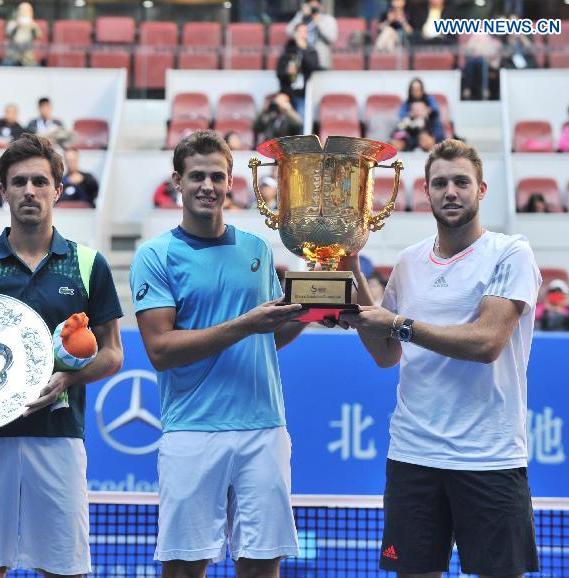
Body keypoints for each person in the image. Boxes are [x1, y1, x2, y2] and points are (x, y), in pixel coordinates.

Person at [334, 139, 541, 578]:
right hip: (413, 455)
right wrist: (348, 266)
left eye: (461, 182)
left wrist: (399, 324)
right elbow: (386, 353)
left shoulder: (511, 252)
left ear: (481, 190)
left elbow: (487, 343)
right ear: (425, 192)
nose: (451, 191)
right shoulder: (409, 263)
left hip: (489, 458)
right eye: (440, 183)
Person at [0, 133, 124, 576]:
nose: (29, 191)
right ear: (2, 191)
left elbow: (113, 353)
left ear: (58, 188)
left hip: (58, 437)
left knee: (63, 571)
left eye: (40, 181)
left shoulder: (88, 265)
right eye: (18, 182)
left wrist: (69, 378)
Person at [129, 130, 308, 577]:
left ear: (231, 183)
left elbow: (268, 335)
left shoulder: (256, 249)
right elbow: (161, 349)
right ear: (178, 181)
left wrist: (310, 314)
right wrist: (246, 323)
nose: (207, 186)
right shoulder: (154, 255)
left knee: (262, 563)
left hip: (264, 427)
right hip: (192, 429)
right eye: (196, 176)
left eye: (216, 176)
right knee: (185, 568)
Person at [276, 23, 320, 116]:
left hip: (302, 94)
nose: (303, 34)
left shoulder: (311, 51)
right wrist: (287, 72)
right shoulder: (287, 51)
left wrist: (303, 50)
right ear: (295, 33)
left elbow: (313, 66)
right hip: (287, 94)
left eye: (305, 32)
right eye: (300, 32)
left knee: (301, 120)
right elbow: (279, 73)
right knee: (286, 122)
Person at [286, 0, 337, 70]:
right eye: (311, 4)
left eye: (315, 5)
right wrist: (301, 15)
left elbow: (332, 38)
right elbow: (289, 32)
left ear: (321, 6)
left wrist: (318, 23)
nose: (313, 7)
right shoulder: (302, 17)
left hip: (321, 62)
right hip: (301, 61)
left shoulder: (328, 19)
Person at [3, 1, 42, 66]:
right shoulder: (12, 24)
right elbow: (8, 35)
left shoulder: (33, 25)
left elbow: (39, 37)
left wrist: (32, 26)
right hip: (12, 59)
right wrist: (17, 24)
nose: (24, 12)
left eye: (27, 10)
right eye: (22, 10)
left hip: (28, 60)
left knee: (39, 70)